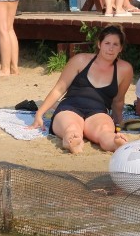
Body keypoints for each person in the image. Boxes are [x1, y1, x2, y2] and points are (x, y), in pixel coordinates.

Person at [29, 25, 132, 154]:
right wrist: (40, 113)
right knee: (72, 128)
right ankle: (72, 141)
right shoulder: (80, 60)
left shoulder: (124, 69)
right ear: (99, 44)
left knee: (105, 130)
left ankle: (115, 143)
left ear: (121, 48)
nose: (111, 48)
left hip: (98, 111)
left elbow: (118, 100)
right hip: (70, 107)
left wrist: (119, 122)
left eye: (115, 44)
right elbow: (59, 89)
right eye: (107, 43)